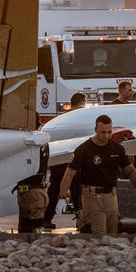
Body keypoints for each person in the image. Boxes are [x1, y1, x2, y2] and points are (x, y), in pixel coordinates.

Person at [56, 114, 136, 233]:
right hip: (91, 195)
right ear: (96, 130)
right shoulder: (84, 150)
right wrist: (62, 197)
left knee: (113, 231)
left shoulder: (117, 149)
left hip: (111, 195)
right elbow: (69, 174)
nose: (106, 136)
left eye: (109, 132)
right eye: (103, 132)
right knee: (98, 232)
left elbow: (130, 170)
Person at [43, 92, 86, 227]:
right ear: (82, 102)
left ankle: (46, 218)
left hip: (59, 159)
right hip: (74, 159)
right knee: (76, 190)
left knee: (55, 188)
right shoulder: (80, 119)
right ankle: (81, 220)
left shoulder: (61, 119)